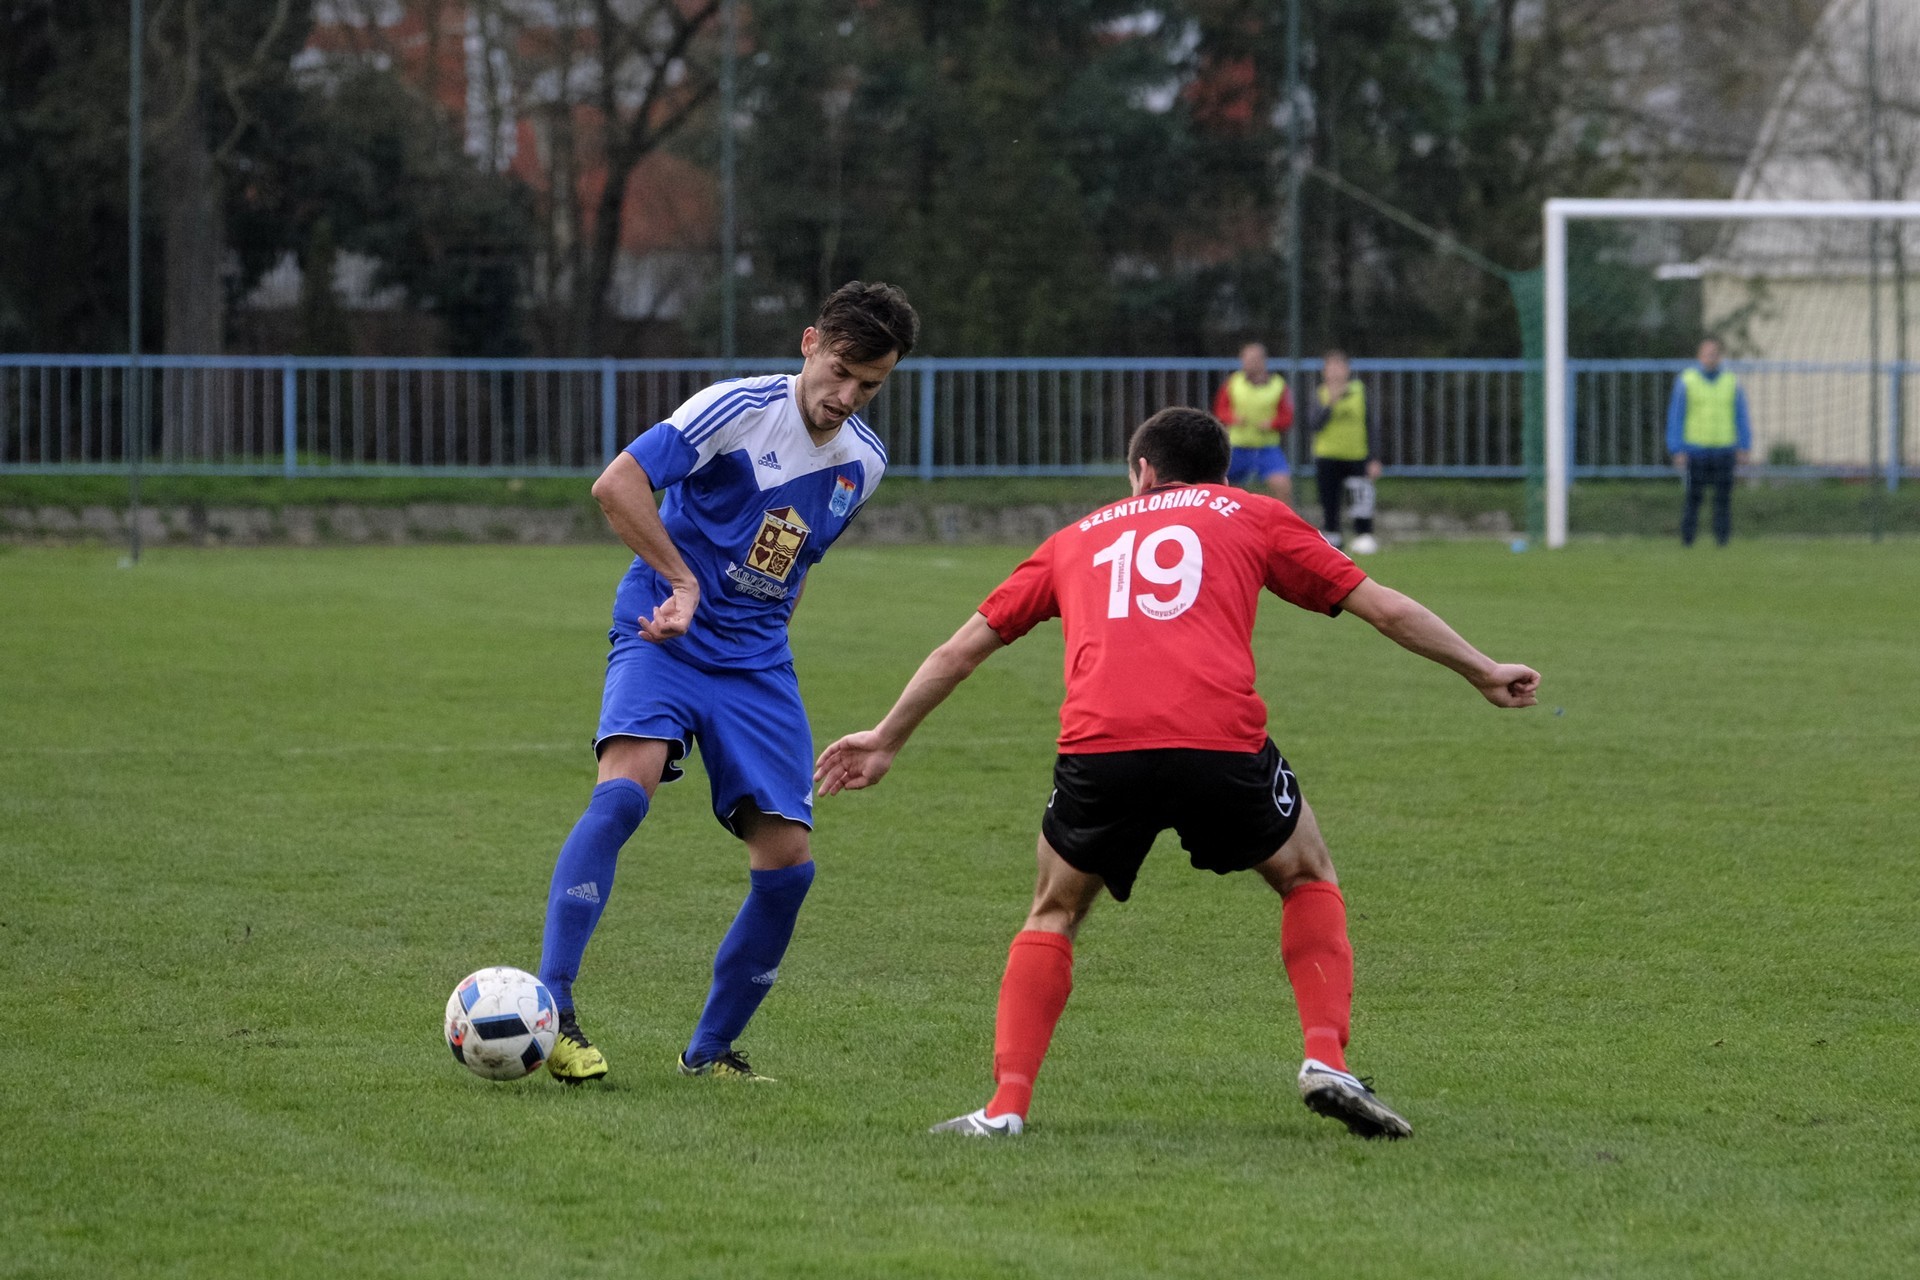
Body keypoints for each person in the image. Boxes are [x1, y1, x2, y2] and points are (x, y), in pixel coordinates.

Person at [814, 407, 1539, 1139]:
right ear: (1221, 475)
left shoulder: (1075, 537)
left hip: (1100, 749)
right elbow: (1382, 607)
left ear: (1143, 472)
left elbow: (960, 651)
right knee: (1306, 874)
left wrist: (885, 739)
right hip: (1218, 743)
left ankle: (1004, 1109)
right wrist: (1482, 669)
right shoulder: (1252, 513)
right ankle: (1326, 1059)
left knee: (1055, 910)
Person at [536, 281, 920, 1084]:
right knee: (624, 793)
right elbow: (617, 485)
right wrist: (681, 583)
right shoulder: (737, 409)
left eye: (871, 384)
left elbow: (796, 560)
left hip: (755, 661)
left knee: (789, 864)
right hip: (663, 630)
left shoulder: (865, 463)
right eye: (841, 370)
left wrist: (765, 647)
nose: (848, 396)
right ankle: (552, 1012)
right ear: (810, 344)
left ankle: (709, 1053)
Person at [1666, 337, 1752, 547]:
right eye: (1707, 354)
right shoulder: (1687, 381)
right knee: (1693, 497)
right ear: (1699, 356)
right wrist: (1677, 448)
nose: (1710, 358)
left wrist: (1744, 445)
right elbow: (1676, 416)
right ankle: (1688, 539)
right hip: (1696, 448)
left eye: (1714, 354)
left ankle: (1722, 540)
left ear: (1719, 357)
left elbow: (1741, 415)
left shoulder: (1730, 381)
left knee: (1723, 498)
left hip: (1724, 447)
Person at [1309, 349, 1382, 554]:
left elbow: (1371, 425)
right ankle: (1333, 536)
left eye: (1338, 367)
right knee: (1329, 500)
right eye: (1330, 367)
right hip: (1327, 456)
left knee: (1360, 498)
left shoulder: (1359, 391)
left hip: (1356, 455)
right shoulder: (1320, 394)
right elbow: (1314, 424)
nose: (1334, 372)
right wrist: (1330, 403)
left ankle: (1363, 535)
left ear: (1347, 370)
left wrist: (1374, 458)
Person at [1212, 342, 1295, 504]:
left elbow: (1288, 417)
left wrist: (1273, 423)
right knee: (1219, 484)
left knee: (1283, 485)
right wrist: (1233, 418)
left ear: (1263, 361)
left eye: (1254, 359)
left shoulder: (1279, 385)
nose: (1249, 363)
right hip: (1237, 447)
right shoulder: (1232, 383)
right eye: (1246, 359)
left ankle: (1284, 518)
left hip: (1267, 447)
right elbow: (1220, 411)